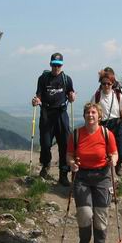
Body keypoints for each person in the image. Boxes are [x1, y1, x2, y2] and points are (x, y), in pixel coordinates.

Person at [67, 102, 118, 243]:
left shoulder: (106, 134)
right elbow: (69, 155)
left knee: (101, 215)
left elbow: (114, 153)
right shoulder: (76, 134)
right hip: (82, 177)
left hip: (102, 176)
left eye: (94, 112)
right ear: (84, 115)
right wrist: (72, 163)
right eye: (88, 112)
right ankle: (84, 240)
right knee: (85, 214)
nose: (90, 115)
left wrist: (113, 161)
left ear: (99, 116)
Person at [32, 52, 76, 187]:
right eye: (54, 65)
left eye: (59, 65)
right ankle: (46, 165)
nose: (56, 67)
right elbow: (39, 94)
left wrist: (72, 97)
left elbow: (71, 94)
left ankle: (63, 174)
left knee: (64, 145)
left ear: (62, 65)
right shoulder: (43, 78)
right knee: (45, 144)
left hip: (61, 114)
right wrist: (36, 100)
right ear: (50, 64)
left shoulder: (66, 79)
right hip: (46, 113)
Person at [92, 69, 122, 176]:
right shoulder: (97, 96)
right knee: (105, 154)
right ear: (100, 83)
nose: (106, 86)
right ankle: (107, 174)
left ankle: (117, 165)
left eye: (109, 83)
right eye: (104, 83)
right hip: (103, 127)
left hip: (117, 125)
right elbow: (92, 111)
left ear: (112, 83)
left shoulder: (117, 95)